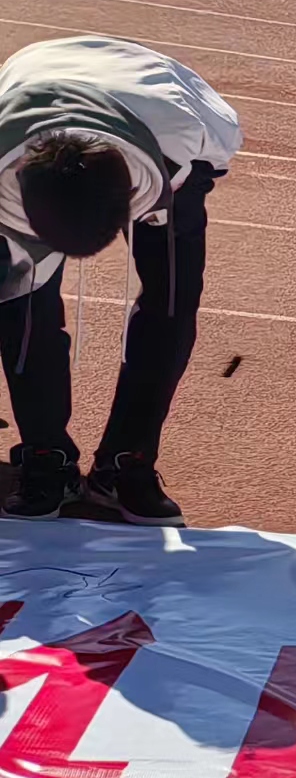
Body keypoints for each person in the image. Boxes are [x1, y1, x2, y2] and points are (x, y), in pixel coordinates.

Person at [0, 36, 243, 525]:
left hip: (156, 106)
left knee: (173, 298)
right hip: (37, 79)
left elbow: (190, 184)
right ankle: (48, 457)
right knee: (20, 306)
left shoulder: (186, 146)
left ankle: (127, 461)